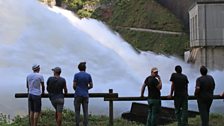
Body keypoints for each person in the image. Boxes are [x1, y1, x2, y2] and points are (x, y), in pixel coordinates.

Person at [73, 62, 93, 126]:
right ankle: (85, 124)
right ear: (85, 68)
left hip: (78, 95)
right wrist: (86, 89)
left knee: (77, 111)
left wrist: (77, 89)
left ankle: (77, 124)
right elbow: (91, 85)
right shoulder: (88, 75)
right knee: (85, 111)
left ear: (79, 68)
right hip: (85, 95)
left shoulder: (76, 75)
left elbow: (74, 85)